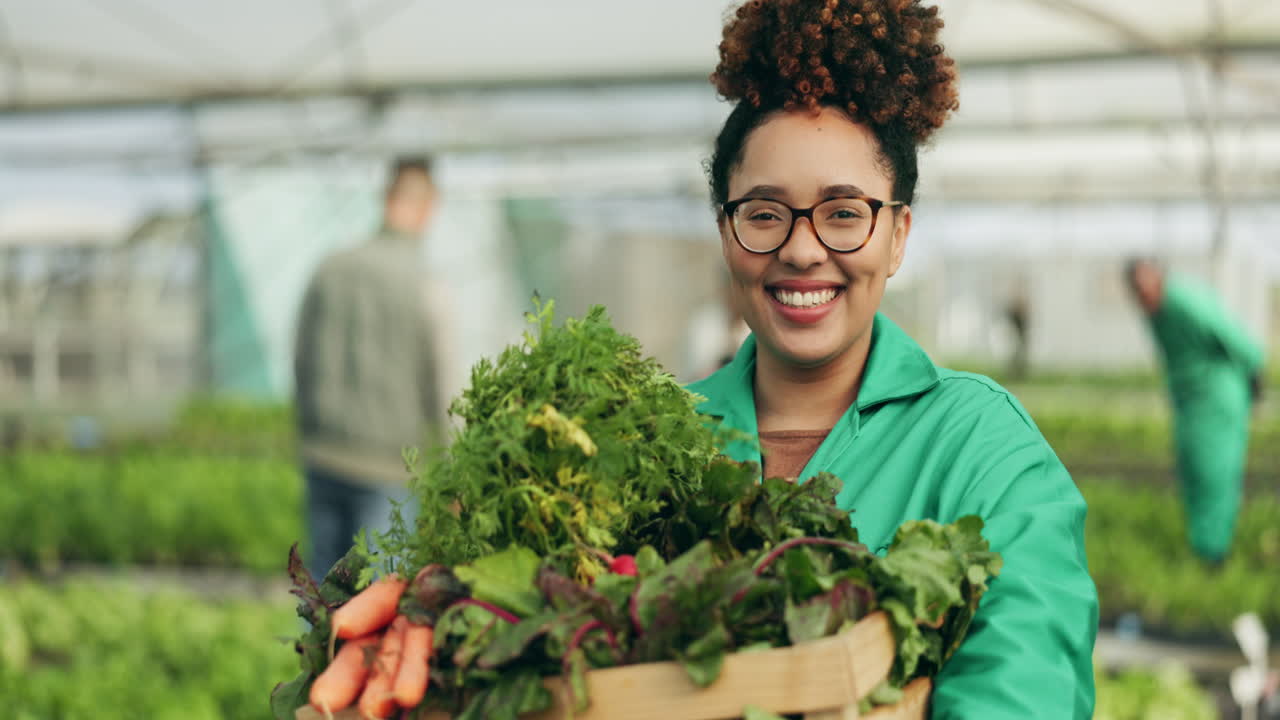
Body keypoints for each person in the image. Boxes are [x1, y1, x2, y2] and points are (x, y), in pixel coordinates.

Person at [687, 2, 1097, 717]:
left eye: (844, 213)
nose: (803, 249)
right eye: (763, 213)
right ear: (727, 231)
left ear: (898, 235)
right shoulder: (660, 433)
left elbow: (1025, 687)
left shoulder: (981, 446)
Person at [293, 156, 448, 577]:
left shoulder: (329, 268)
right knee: (378, 599)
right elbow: (440, 382)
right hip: (387, 466)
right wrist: (451, 465)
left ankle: (317, 646)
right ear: (428, 206)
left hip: (322, 454)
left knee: (324, 593)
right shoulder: (421, 281)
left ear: (386, 198)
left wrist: (309, 431)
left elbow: (301, 359)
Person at [1126, 258, 1265, 563]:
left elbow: (1228, 331)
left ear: (1158, 276)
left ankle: (1214, 553)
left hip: (1216, 394)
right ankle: (1201, 545)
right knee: (1191, 467)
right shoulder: (1156, 312)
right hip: (1190, 400)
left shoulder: (1185, 300)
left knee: (1214, 471)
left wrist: (1254, 369)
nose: (1143, 293)